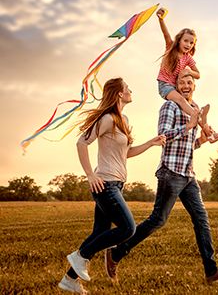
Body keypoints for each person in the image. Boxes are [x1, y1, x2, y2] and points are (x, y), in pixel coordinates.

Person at [105, 73, 218, 284]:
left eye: (189, 82)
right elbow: (164, 135)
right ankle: (116, 253)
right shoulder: (170, 106)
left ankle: (211, 272)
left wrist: (202, 140)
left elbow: (187, 146)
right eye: (181, 83)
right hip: (171, 172)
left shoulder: (193, 108)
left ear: (194, 85)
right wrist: (189, 126)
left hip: (188, 174)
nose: (185, 86)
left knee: (201, 220)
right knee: (158, 219)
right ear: (175, 87)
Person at [58, 77, 166, 294]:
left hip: (116, 183)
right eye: (127, 88)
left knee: (99, 232)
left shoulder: (122, 119)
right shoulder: (107, 118)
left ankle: (69, 280)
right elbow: (82, 142)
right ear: (119, 93)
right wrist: (90, 174)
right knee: (128, 228)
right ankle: (80, 256)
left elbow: (126, 153)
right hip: (104, 184)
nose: (130, 90)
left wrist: (150, 143)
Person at [156, 7, 218, 144]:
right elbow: (165, 34)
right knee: (184, 103)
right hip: (165, 86)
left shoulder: (188, 58)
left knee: (194, 105)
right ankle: (197, 116)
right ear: (179, 40)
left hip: (175, 87)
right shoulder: (171, 48)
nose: (188, 44)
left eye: (191, 42)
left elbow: (198, 74)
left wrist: (189, 71)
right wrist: (161, 19)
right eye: (185, 41)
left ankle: (211, 135)